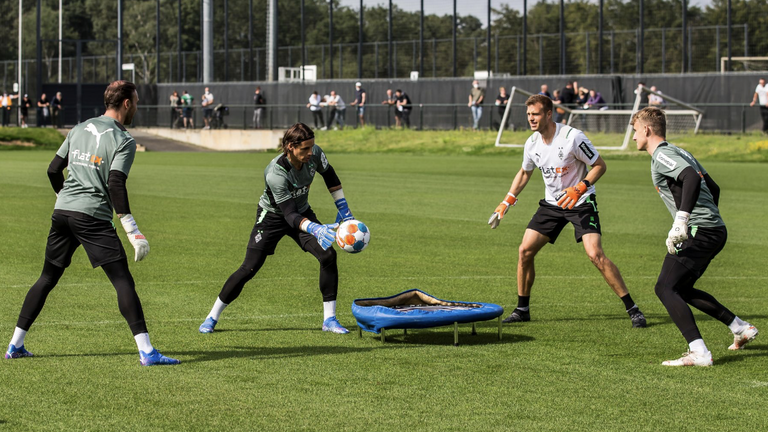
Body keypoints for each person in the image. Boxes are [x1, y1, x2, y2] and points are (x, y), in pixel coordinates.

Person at [4, 80, 179, 366]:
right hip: (92, 216)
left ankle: (15, 345)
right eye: (135, 102)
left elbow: (53, 170)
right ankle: (147, 352)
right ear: (126, 104)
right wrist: (132, 230)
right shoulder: (124, 140)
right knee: (122, 280)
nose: (136, 107)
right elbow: (116, 183)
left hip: (62, 212)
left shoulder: (78, 127)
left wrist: (66, 198)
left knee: (47, 278)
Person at [488, 94, 646, 328]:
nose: (531, 119)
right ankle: (522, 309)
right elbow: (524, 173)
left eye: (536, 114)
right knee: (524, 251)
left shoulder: (573, 138)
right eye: (529, 114)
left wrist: (580, 187)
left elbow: (600, 165)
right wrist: (507, 201)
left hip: (580, 202)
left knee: (595, 255)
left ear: (549, 114)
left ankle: (633, 309)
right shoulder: (532, 143)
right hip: (552, 205)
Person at [198, 122, 355, 335]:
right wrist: (316, 229)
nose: (310, 152)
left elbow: (329, 175)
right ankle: (212, 316)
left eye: (311, 147)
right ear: (290, 146)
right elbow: (289, 215)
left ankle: (329, 319)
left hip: (302, 213)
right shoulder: (275, 173)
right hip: (272, 217)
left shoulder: (315, 153)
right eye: (304, 149)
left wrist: (343, 207)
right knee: (249, 268)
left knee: (327, 255)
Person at [630, 106, 758, 366]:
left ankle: (699, 352)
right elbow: (713, 187)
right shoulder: (681, 151)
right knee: (680, 288)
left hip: (700, 230)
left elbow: (690, 177)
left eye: (634, 131)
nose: (633, 137)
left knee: (665, 288)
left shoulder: (663, 154)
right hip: (713, 229)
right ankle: (740, 328)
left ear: (646, 129)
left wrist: (683, 220)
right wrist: (708, 220)